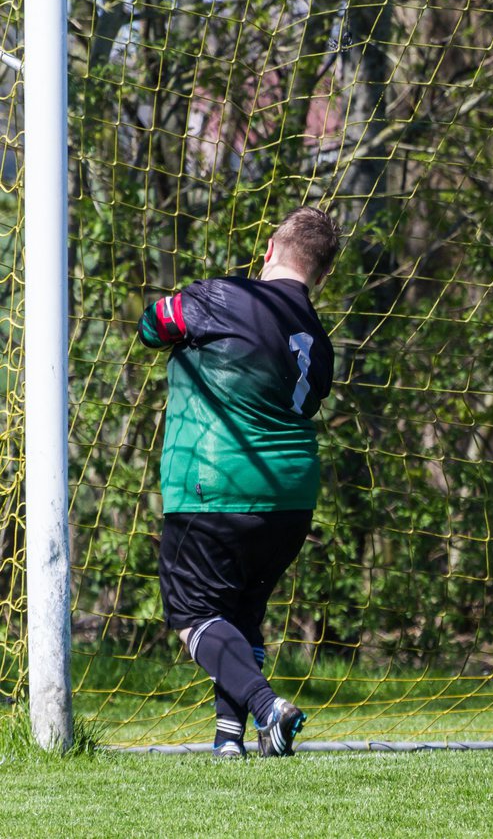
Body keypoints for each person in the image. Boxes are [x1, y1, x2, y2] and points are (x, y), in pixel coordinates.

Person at [137, 206, 340, 758]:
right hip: (293, 498)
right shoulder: (318, 340)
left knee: (193, 614)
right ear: (322, 276)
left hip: (216, 483)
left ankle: (268, 707)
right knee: (242, 615)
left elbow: (153, 323)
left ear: (269, 250)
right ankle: (231, 742)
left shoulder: (223, 296)